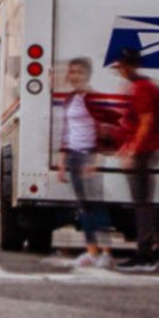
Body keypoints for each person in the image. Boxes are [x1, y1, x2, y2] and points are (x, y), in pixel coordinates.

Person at [113, 49, 159, 271]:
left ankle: (145, 253)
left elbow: (146, 122)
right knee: (144, 201)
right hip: (144, 149)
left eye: (120, 66)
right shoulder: (141, 86)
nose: (119, 70)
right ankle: (157, 248)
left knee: (142, 203)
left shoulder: (142, 89)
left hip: (143, 150)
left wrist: (132, 150)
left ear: (129, 66)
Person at [55, 58, 113, 267]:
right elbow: (66, 131)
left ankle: (107, 253)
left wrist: (96, 159)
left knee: (97, 205)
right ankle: (92, 252)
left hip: (89, 155)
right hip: (73, 156)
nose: (75, 76)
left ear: (87, 75)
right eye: (72, 72)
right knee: (84, 207)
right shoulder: (70, 99)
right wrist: (62, 162)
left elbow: (105, 128)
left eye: (79, 72)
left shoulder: (95, 97)